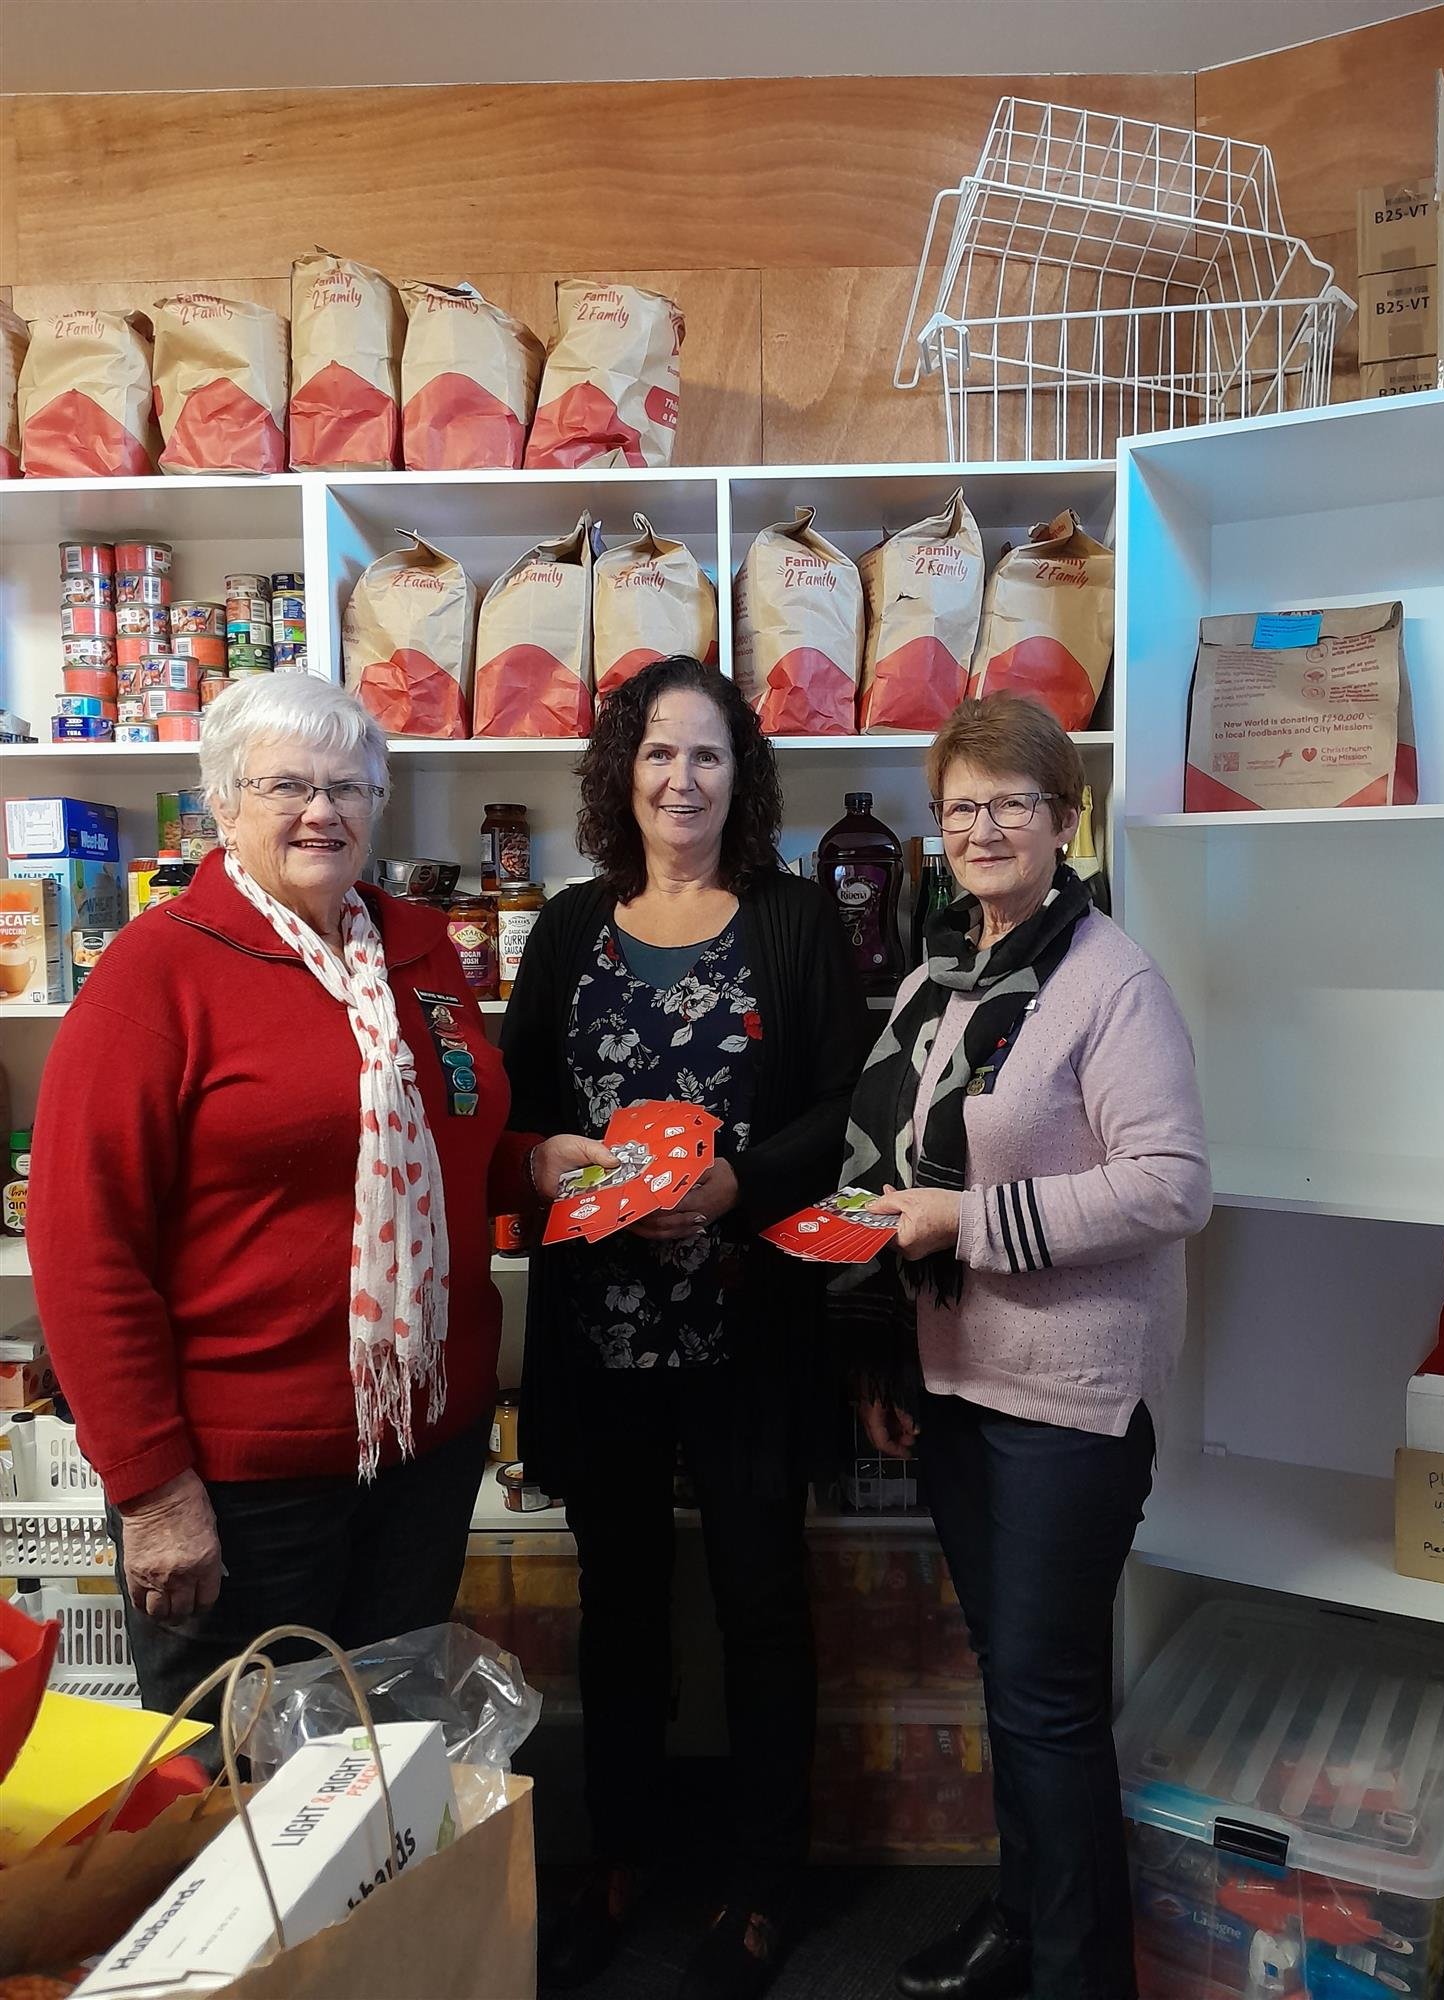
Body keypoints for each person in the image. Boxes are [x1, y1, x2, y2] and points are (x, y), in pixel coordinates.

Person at [27, 673, 612, 1723]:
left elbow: (442, 1137)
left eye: (349, 785)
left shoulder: (419, 949)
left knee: (383, 1761)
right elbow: (84, 1249)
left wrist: (526, 1164)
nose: (322, 810)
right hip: (242, 1476)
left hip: (422, 1446)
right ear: (222, 802)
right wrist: (153, 1490)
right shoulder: (155, 973)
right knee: (240, 1789)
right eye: (287, 784)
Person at [501, 656, 866, 2000]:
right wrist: (558, 1163)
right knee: (623, 1608)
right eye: (657, 754)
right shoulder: (564, 928)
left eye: (708, 755)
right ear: (620, 772)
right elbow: (520, 1116)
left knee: (764, 1605)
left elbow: (845, 1107)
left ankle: (766, 1886)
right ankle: (624, 1858)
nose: (682, 779)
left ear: (741, 776)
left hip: (745, 1328)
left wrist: (737, 1182)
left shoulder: (792, 920)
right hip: (602, 1331)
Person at [847, 695, 1212, 2000]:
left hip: (1067, 1398)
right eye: (961, 806)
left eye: (1014, 801)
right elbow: (898, 1161)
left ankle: (1076, 1972)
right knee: (1014, 1685)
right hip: (959, 1382)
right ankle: (1021, 1928)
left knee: (1049, 1705)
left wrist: (970, 1221)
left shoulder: (1109, 979)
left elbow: (1172, 1185)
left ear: (1067, 819)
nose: (986, 825)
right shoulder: (947, 968)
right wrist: (902, 1361)